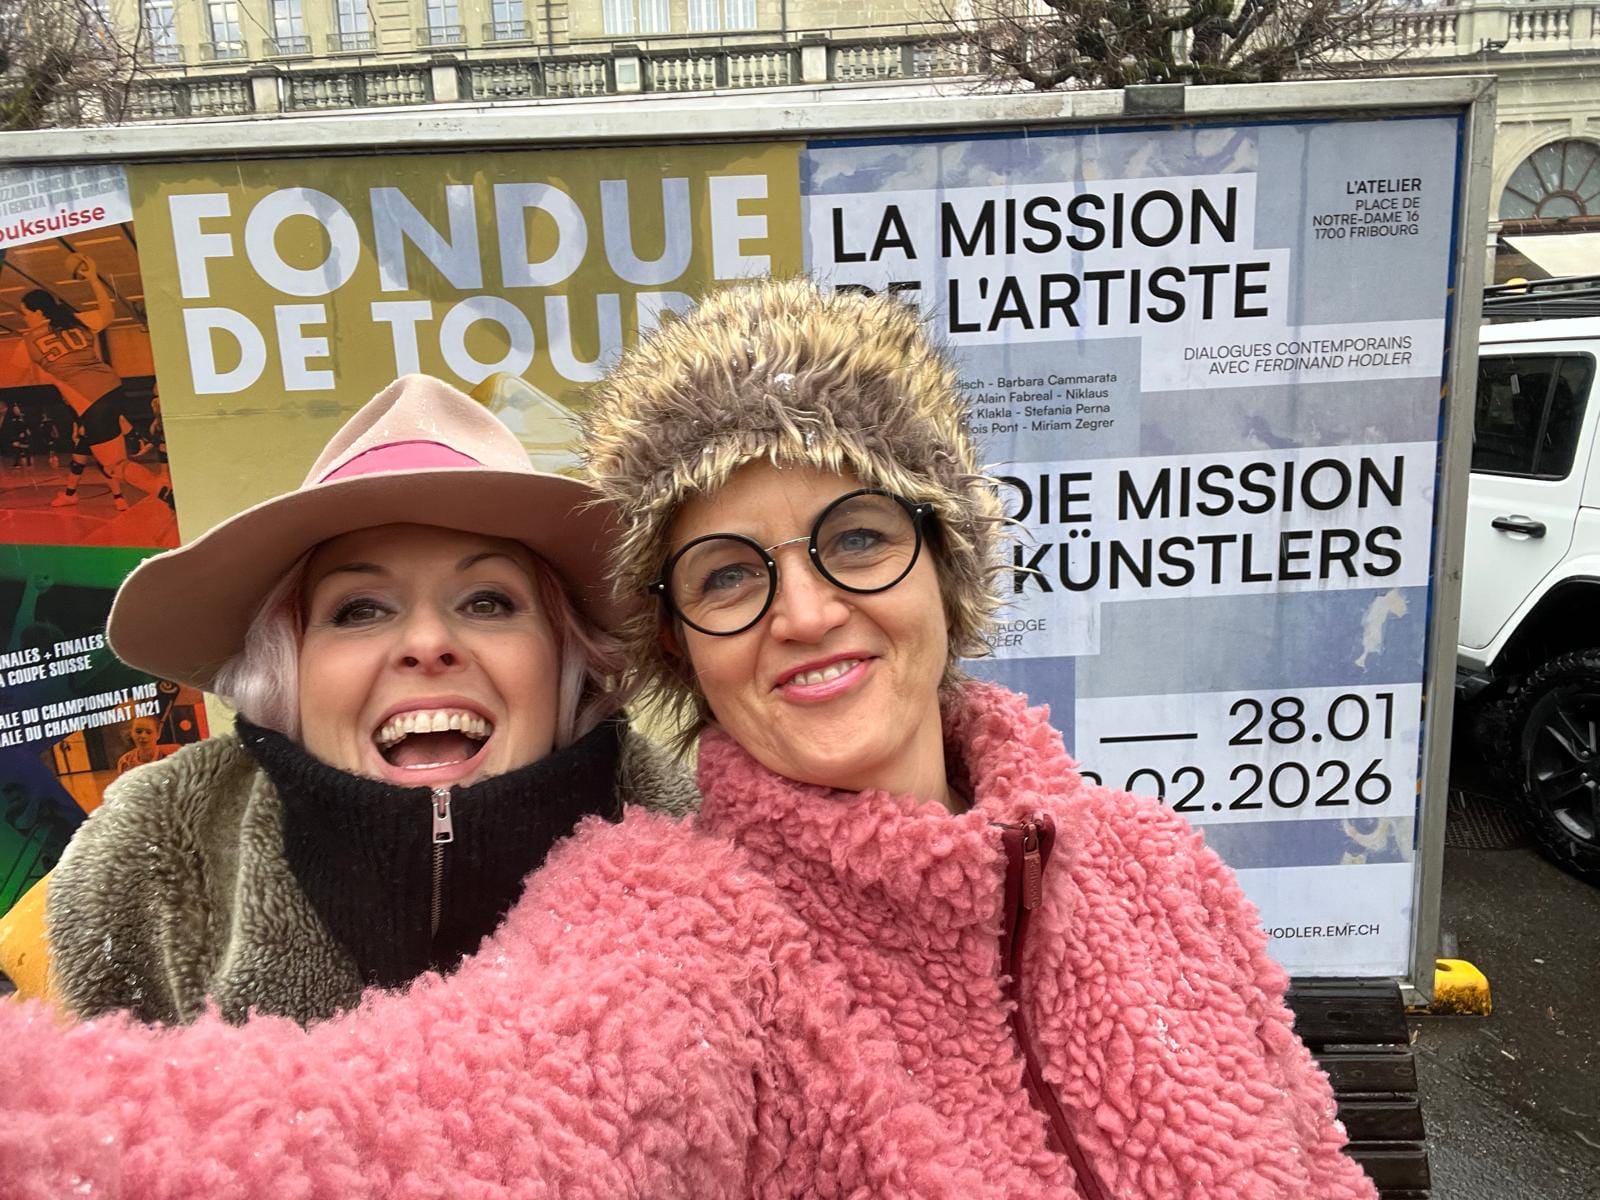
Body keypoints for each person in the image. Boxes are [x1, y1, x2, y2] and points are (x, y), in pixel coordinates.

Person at [0, 289, 1377, 1200]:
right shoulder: (677, 920)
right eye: (728, 573)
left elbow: (1314, 1158)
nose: (806, 609)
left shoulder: (1154, 869)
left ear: (945, 567)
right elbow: (390, 1137)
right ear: (681, 647)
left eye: (857, 537)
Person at [42, 372, 697, 1026]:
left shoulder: (711, 860)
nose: (428, 642)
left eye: (488, 602)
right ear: (287, 671)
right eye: (359, 610)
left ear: (567, 660)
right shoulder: (139, 883)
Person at [11, 261, 172, 512]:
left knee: (115, 466)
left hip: (92, 401)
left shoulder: (27, 342)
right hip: (113, 387)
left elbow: (15, 375)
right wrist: (94, 279)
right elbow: (108, 313)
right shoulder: (73, 321)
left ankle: (167, 494)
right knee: (100, 437)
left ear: (39, 312)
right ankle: (134, 435)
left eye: (26, 313)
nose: (24, 318)